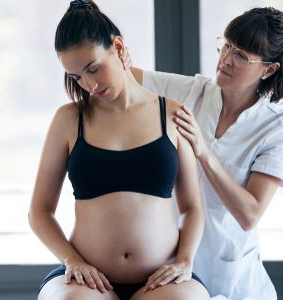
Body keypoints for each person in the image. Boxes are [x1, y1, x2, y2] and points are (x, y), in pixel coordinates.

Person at [28, 1, 211, 300]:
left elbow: (192, 208)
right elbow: (39, 211)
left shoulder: (173, 115)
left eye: (93, 68)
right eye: (76, 77)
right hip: (86, 279)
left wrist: (185, 261)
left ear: (118, 47)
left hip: (160, 277)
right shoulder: (68, 119)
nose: (88, 84)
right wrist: (72, 261)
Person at [124, 7, 283, 300]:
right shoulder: (193, 91)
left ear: (268, 69)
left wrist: (202, 151)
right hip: (173, 271)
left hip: (233, 282)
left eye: (241, 56)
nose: (225, 59)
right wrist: (110, 47)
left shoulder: (277, 131)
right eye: (226, 45)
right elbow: (123, 77)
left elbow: (249, 214)